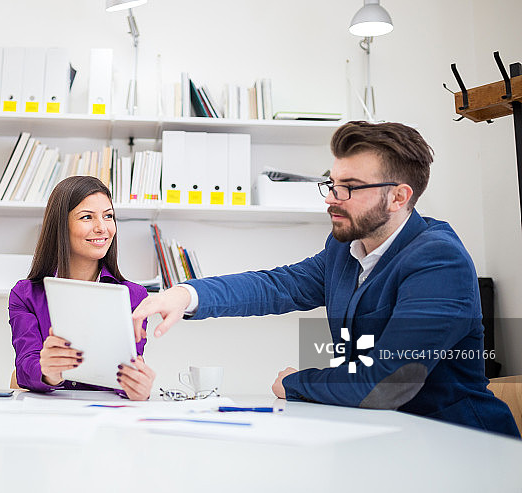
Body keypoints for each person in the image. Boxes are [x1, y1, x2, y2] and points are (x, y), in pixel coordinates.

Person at [132, 121, 520, 437]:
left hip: (461, 445)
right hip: (380, 436)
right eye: (331, 184)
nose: (331, 198)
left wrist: (297, 383)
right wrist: (187, 294)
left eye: (348, 188)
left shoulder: (438, 261)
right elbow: (278, 285)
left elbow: (387, 383)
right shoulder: (344, 250)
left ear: (399, 197)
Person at [9, 176, 154, 400]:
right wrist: (48, 372)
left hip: (107, 417)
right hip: (48, 414)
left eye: (108, 216)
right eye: (87, 217)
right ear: (60, 226)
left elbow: (127, 370)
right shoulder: (26, 294)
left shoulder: (135, 297)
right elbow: (25, 366)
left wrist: (136, 387)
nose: (102, 228)